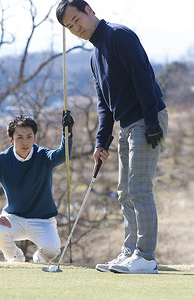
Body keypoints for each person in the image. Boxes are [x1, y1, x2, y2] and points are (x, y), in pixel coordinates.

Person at [56, 0, 168, 274]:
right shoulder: (95, 57)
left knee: (139, 188)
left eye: (76, 20)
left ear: (89, 10)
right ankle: (130, 252)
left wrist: (152, 122)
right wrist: (101, 142)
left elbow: (143, 78)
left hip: (146, 118)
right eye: (70, 27)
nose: (76, 28)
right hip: (127, 126)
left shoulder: (118, 36)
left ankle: (146, 257)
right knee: (124, 192)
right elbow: (104, 105)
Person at [0, 112, 74, 263]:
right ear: (12, 140)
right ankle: (15, 257)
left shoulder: (43, 155)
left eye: (29, 136)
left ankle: (38, 260)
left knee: (52, 250)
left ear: (34, 138)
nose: (25, 142)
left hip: (43, 220)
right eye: (19, 137)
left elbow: (62, 155)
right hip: (14, 218)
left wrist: (67, 133)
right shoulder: (1, 160)